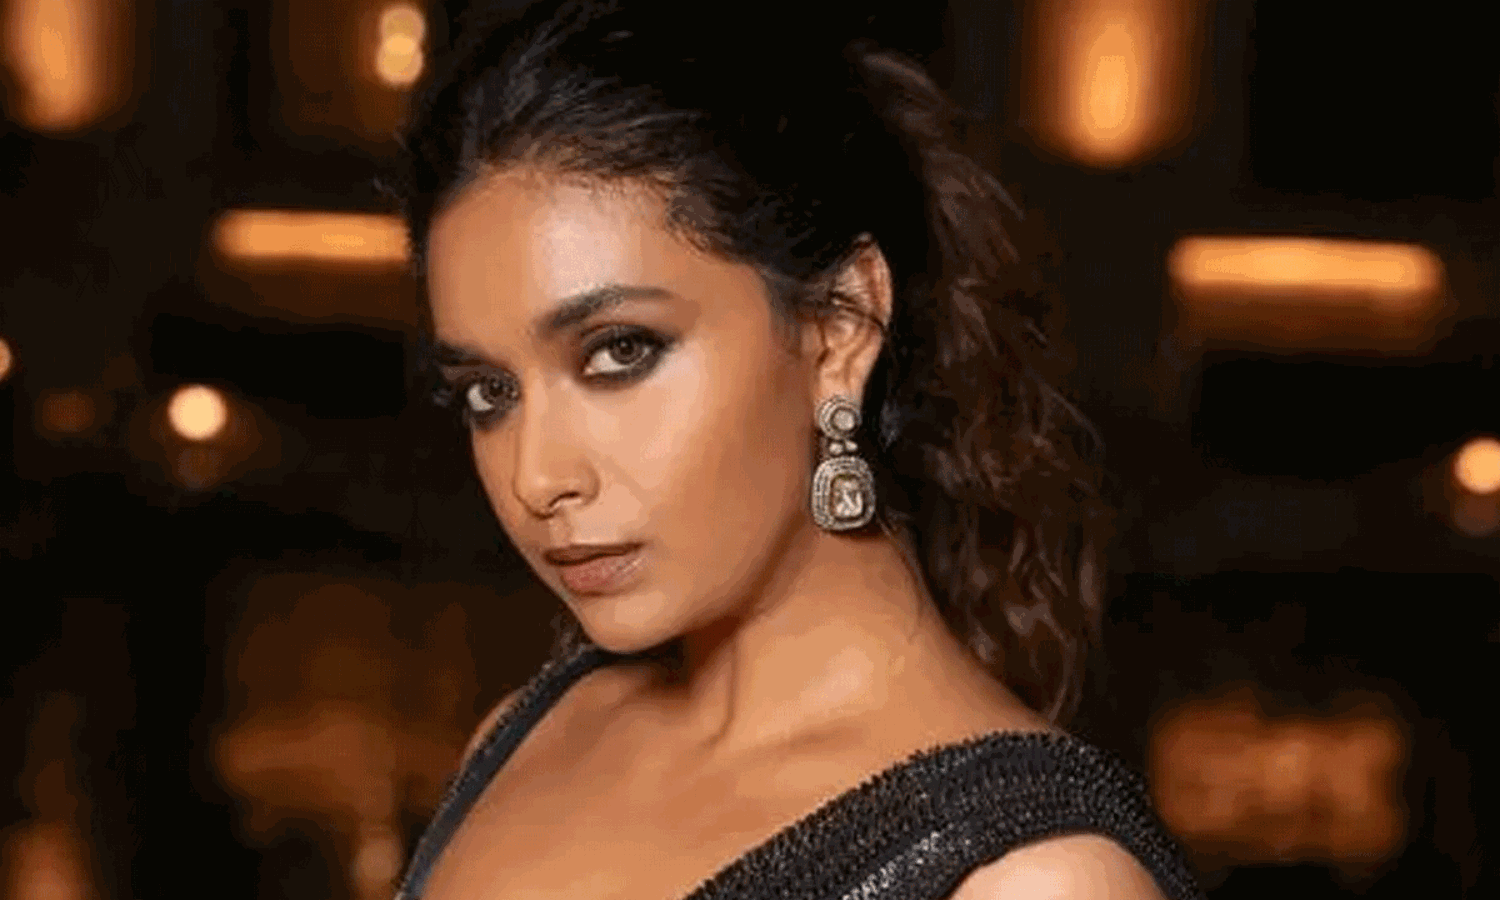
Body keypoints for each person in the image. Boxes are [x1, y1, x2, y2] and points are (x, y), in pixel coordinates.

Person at [386, 1, 1206, 897]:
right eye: (489, 393)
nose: (537, 477)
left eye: (621, 352)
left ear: (840, 326)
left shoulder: (1036, 881)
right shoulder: (522, 734)